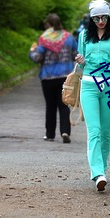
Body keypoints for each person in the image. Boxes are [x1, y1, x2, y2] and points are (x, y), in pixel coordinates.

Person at [75, 0, 110, 191]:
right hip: (89, 86)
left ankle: (102, 170)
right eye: (96, 18)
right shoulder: (83, 36)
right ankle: (97, 173)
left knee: (106, 131)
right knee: (94, 130)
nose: (100, 21)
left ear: (109, 16)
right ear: (91, 18)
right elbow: (81, 65)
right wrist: (80, 60)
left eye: (104, 17)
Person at [29, 13, 78, 143]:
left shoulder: (44, 39)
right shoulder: (69, 38)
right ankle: (65, 131)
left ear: (48, 25)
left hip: (48, 77)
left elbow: (37, 58)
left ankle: (50, 134)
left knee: (50, 106)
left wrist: (32, 51)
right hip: (65, 77)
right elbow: (76, 55)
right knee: (64, 105)